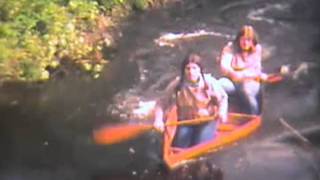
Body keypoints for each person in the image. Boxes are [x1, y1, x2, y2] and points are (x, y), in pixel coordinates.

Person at [153, 53, 228, 148]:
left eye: (194, 68)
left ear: (200, 70)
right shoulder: (177, 84)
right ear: (183, 70)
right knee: (180, 145)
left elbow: (223, 98)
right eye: (188, 68)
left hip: (206, 121)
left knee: (200, 145)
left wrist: (222, 111)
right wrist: (158, 119)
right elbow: (161, 103)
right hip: (186, 121)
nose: (191, 72)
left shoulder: (209, 82)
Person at [218, 25, 268, 115]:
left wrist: (242, 75)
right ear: (238, 39)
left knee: (246, 90)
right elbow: (224, 66)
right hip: (233, 81)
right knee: (218, 86)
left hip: (251, 81)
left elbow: (256, 71)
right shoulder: (230, 48)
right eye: (243, 39)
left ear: (252, 41)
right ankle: (220, 113)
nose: (245, 43)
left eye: (248, 40)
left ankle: (254, 115)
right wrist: (232, 73)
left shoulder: (257, 49)